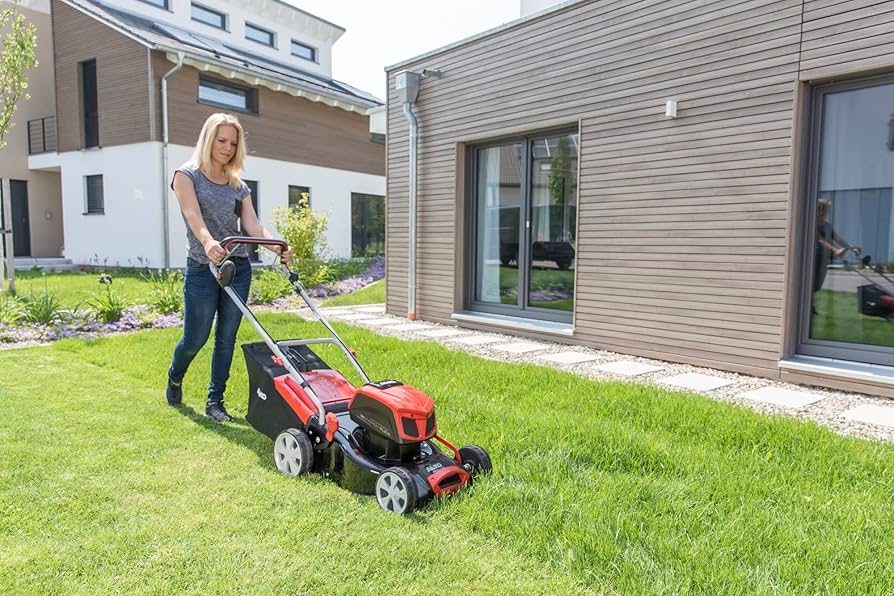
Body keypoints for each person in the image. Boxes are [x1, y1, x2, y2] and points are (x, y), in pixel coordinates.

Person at [165, 113, 291, 422]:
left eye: (233, 143)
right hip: (202, 268)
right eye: (222, 140)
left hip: (238, 267)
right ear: (209, 139)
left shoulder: (238, 186)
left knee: (227, 337)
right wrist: (208, 242)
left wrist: (277, 246)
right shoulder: (187, 175)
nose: (227, 147)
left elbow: (252, 226)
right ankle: (175, 375)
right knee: (196, 337)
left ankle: (214, 402)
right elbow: (193, 215)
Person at [813, 197, 860, 311]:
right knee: (811, 283)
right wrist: (835, 250)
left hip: (824, 259)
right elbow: (820, 239)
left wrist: (850, 248)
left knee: (818, 284)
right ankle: (809, 307)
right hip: (814, 258)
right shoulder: (812, 224)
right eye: (827, 209)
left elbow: (838, 238)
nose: (828, 211)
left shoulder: (828, 225)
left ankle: (810, 305)